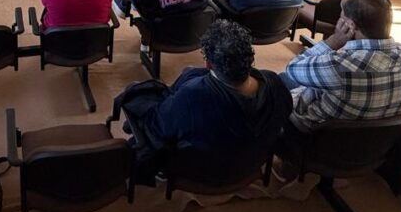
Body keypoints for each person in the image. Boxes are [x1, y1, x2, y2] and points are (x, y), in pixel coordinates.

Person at [121, 20, 291, 180]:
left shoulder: (193, 95)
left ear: (209, 64)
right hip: (249, 164)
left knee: (139, 99)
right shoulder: (275, 84)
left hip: (205, 172)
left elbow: (159, 126)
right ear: (250, 59)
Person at [283, 0, 401, 132]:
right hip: (375, 141)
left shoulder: (340, 67)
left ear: (350, 25)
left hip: (316, 137)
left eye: (341, 11)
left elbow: (292, 69)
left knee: (275, 81)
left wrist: (333, 41)